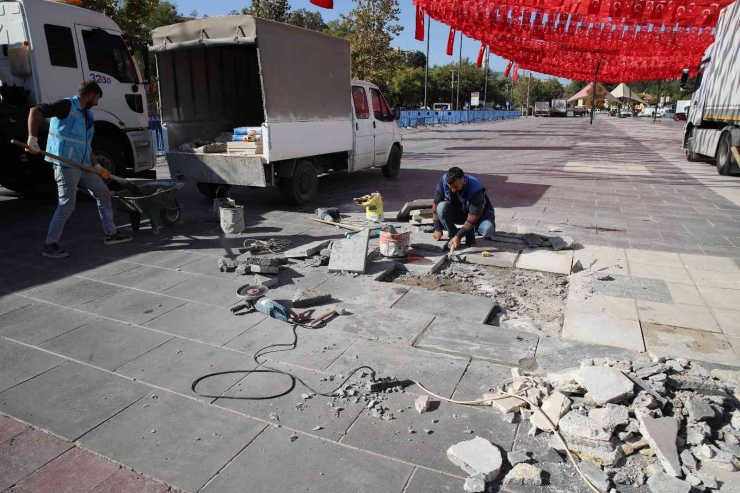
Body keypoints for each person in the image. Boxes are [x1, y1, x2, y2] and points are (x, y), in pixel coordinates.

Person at [27, 80, 132, 258]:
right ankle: (49, 245)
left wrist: (97, 167)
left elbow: (85, 145)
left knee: (104, 194)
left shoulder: (87, 116)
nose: (97, 102)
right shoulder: (66, 105)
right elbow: (35, 111)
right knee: (67, 204)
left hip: (83, 165)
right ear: (90, 94)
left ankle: (111, 234)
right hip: (66, 165)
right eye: (97, 98)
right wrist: (32, 138)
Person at [432, 167, 496, 251]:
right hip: (460, 213)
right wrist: (437, 228)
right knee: (441, 207)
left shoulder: (476, 190)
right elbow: (436, 204)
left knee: (487, 229)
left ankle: (470, 232)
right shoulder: (443, 181)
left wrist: (459, 236)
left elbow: (473, 217)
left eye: (456, 187)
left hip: (479, 216)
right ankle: (453, 235)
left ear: (464, 181)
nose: (453, 190)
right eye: (450, 187)